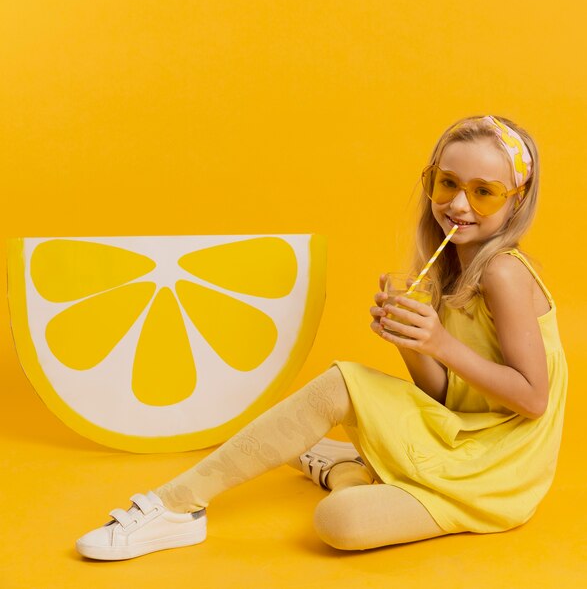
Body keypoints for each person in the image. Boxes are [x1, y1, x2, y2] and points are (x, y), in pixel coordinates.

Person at [76, 115, 567, 560]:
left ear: (516, 200)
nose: (458, 204)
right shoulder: (444, 265)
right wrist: (410, 341)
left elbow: (533, 399)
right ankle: (174, 507)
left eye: (484, 192)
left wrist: (440, 343)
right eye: (448, 183)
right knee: (335, 390)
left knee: (338, 522)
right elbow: (444, 397)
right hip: (463, 436)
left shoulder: (502, 272)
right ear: (430, 183)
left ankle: (348, 463)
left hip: (499, 469)